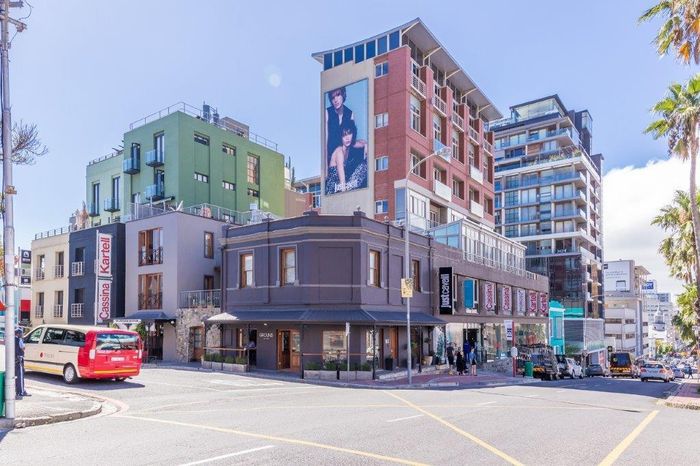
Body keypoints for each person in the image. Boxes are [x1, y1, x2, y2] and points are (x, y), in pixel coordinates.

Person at [326, 119, 367, 193]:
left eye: (349, 133)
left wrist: (366, 146)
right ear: (340, 137)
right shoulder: (339, 152)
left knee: (366, 162)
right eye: (344, 135)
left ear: (353, 133)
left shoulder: (350, 145)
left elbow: (362, 143)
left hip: (344, 184)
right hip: (334, 190)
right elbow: (342, 184)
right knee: (365, 165)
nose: (347, 138)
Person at [15, 328, 29, 398]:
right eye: (21, 333)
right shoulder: (19, 340)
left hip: (14, 360)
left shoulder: (12, 339)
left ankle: (18, 391)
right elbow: (23, 347)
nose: (22, 334)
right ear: (18, 334)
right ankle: (21, 392)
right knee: (20, 377)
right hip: (19, 360)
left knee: (16, 377)